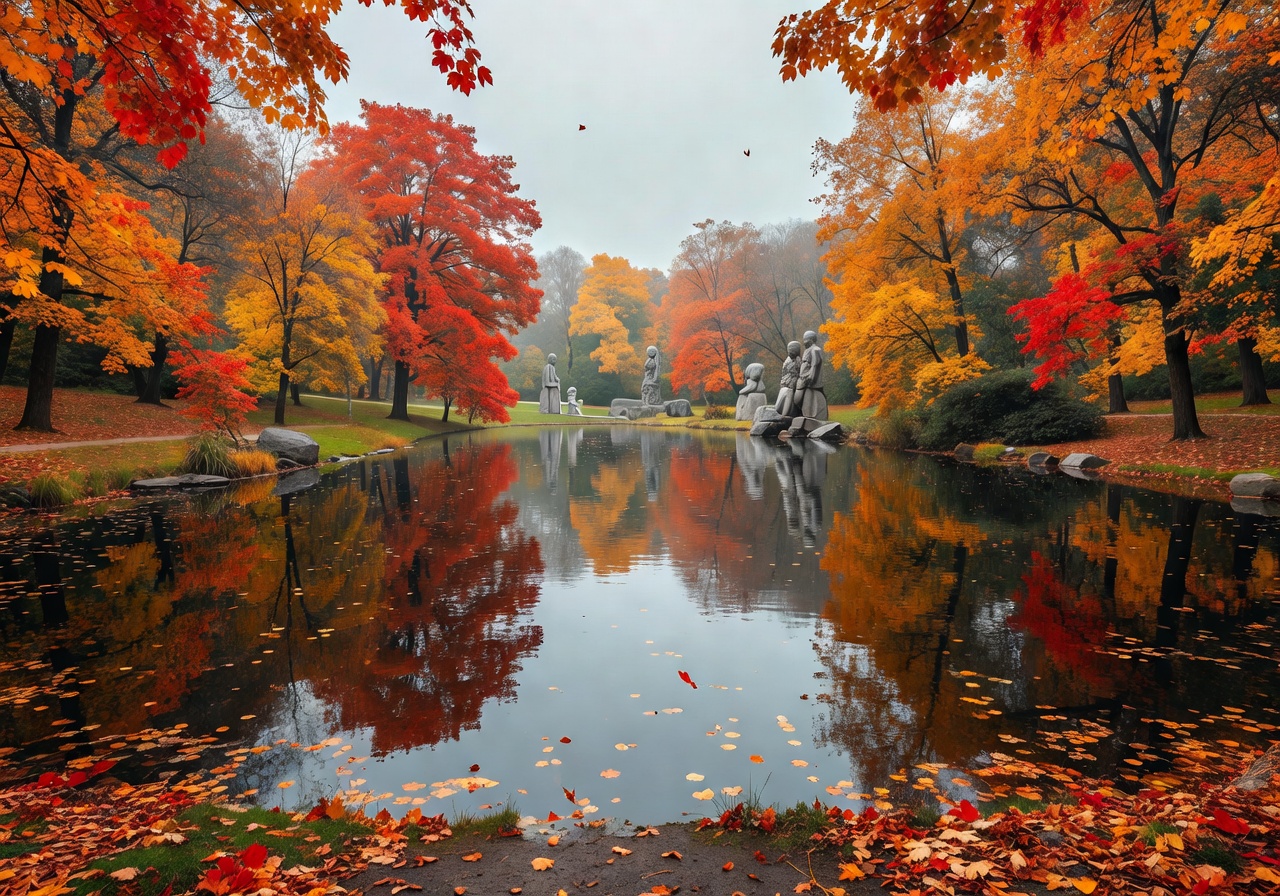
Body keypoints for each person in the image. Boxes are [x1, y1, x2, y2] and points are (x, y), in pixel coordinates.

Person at [794, 330, 828, 420]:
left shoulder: (815, 350)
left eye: (806, 339)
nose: (804, 342)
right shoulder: (807, 350)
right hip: (803, 380)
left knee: (797, 399)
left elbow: (815, 365)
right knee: (797, 400)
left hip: (808, 381)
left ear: (812, 340)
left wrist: (810, 378)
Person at [774, 341, 802, 416]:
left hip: (792, 381)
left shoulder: (797, 359)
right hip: (788, 381)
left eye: (793, 349)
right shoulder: (789, 360)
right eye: (789, 349)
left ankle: (793, 411)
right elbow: (794, 371)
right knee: (789, 395)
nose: (790, 351)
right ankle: (786, 412)